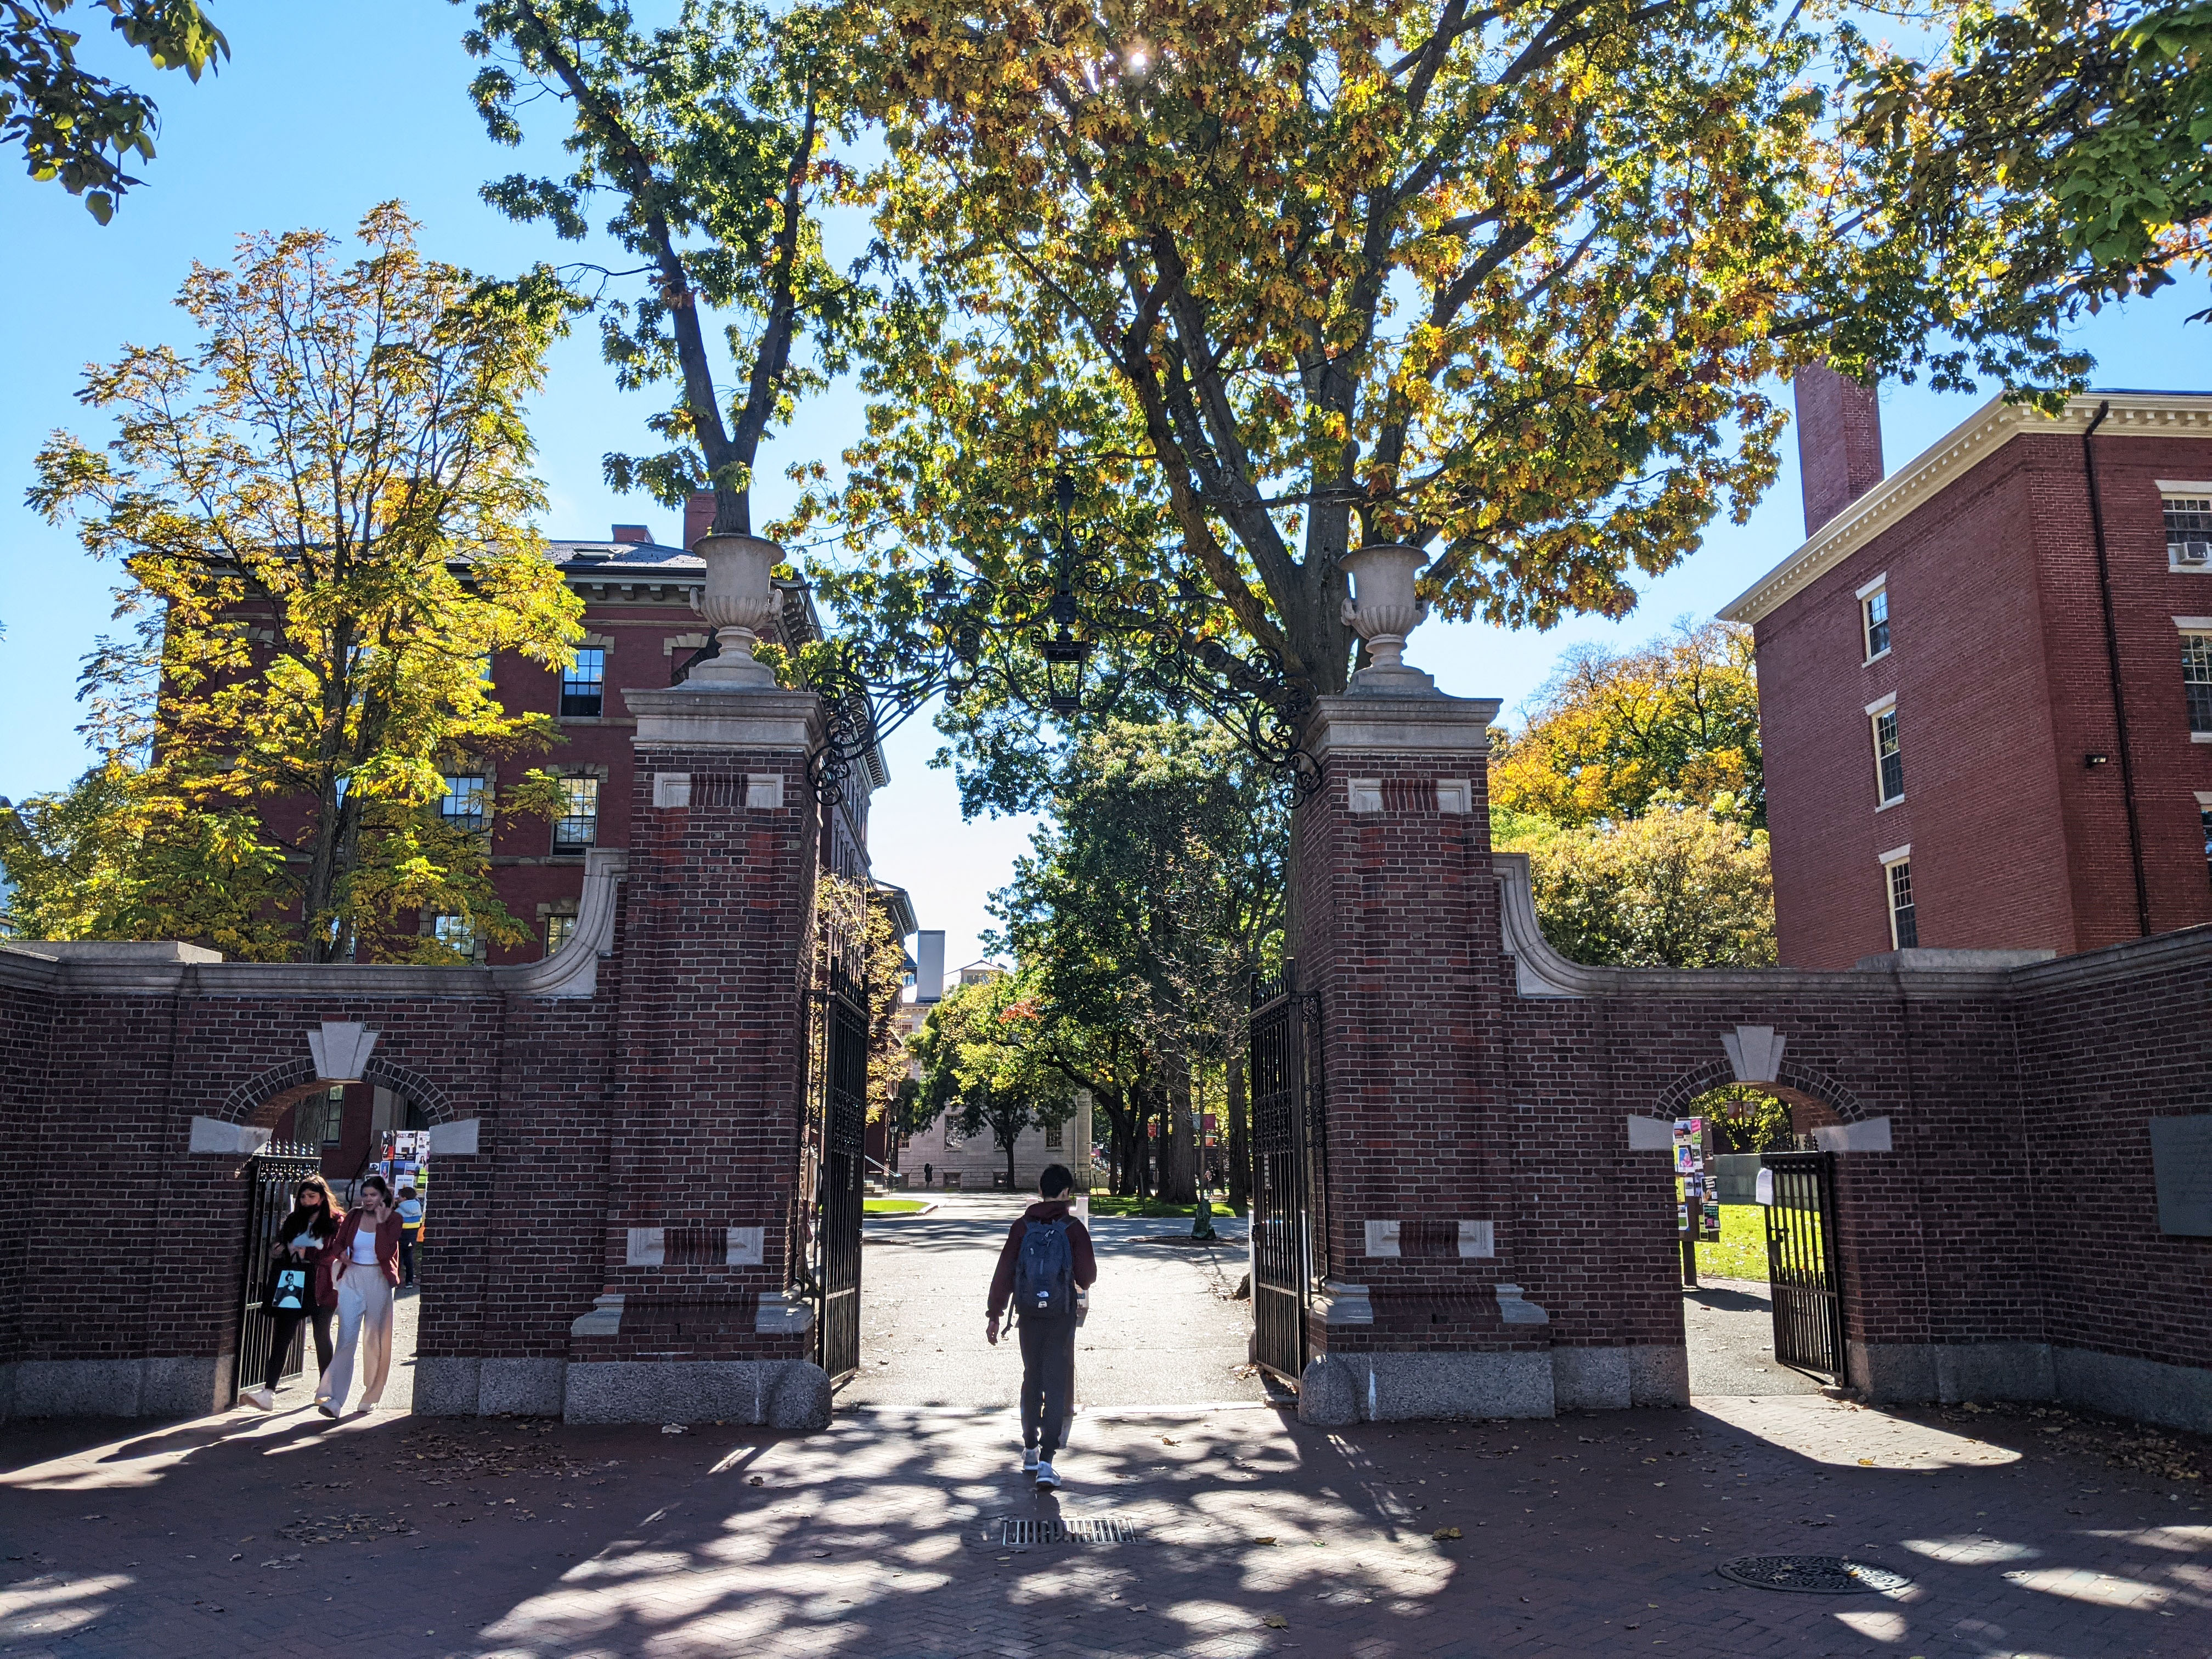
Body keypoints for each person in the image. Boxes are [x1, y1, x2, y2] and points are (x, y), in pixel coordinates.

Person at [986, 1164, 1097, 1491]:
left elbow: (1005, 1269)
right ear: (1065, 1193)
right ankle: (1049, 1461)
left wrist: (995, 1313)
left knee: (1032, 1376)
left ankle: (1030, 1450)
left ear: (1040, 1192)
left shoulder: (1022, 1227)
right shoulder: (1073, 1227)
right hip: (1061, 1314)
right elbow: (1087, 1277)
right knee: (1056, 1378)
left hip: (1028, 1314)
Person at [241, 1175, 342, 1412]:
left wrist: (309, 1255)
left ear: (322, 1197)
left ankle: (326, 1390)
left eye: (312, 1197)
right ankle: (269, 1391)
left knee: (322, 1335)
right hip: (293, 1281)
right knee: (283, 1335)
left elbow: (335, 1253)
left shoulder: (335, 1222)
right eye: (303, 1197)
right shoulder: (294, 1220)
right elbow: (281, 1243)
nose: (307, 1201)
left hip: (321, 1284)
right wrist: (280, 1249)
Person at [319, 1175, 403, 1418]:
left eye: (373, 1195)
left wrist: (380, 1223)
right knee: (346, 1338)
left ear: (383, 1197)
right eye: (364, 1195)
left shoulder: (394, 1219)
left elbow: (385, 1253)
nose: (367, 1200)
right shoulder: (354, 1216)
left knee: (373, 1340)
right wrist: (341, 1254)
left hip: (379, 1280)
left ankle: (370, 1395)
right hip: (352, 1278)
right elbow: (338, 1243)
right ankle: (334, 1399)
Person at [396, 1185, 424, 1287]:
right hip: (412, 1238)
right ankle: (410, 1281)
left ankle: (396, 1280)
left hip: (400, 1239)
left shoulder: (399, 1211)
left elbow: (394, 1225)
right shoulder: (418, 1208)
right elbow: (420, 1223)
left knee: (398, 1259)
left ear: (404, 1198)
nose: (398, 1198)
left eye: (399, 1196)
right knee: (409, 1259)